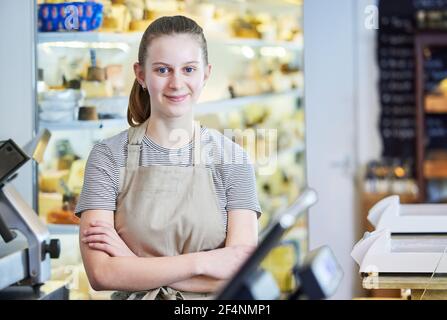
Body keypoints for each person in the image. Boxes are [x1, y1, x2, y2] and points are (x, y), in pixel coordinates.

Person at [75, 15, 262, 300]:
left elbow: (242, 273)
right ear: (140, 74)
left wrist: (133, 266)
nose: (176, 83)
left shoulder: (233, 159)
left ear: (206, 74)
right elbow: (101, 274)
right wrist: (204, 262)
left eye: (189, 69)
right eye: (163, 70)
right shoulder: (107, 157)